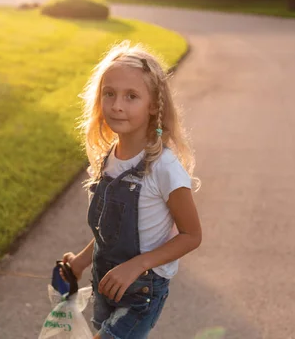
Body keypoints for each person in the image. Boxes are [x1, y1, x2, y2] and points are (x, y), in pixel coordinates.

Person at [61, 40, 202, 339]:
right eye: (109, 94)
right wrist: (81, 262)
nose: (117, 105)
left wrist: (137, 265)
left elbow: (192, 236)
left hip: (141, 291)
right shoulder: (110, 157)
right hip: (106, 283)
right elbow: (106, 229)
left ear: (153, 106)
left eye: (131, 96)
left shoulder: (163, 167)